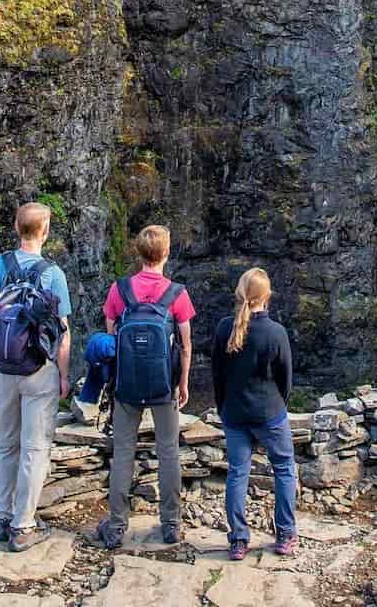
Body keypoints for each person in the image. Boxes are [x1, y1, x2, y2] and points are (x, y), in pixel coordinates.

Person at [0, 201, 71, 552]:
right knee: (35, 447)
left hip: (3, 367)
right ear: (45, 232)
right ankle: (23, 525)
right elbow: (62, 333)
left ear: (17, 228)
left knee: (4, 444)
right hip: (39, 369)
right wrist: (62, 376)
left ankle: (1, 517)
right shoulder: (53, 274)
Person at [96, 225, 194, 547]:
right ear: (166, 253)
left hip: (126, 385)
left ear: (138, 253)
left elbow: (112, 338)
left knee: (123, 452)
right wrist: (183, 383)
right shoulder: (177, 294)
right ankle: (171, 524)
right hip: (163, 384)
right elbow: (185, 344)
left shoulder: (119, 289)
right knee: (168, 451)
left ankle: (116, 526)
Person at [211, 267, 297, 561]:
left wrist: (223, 408)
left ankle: (238, 540)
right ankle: (285, 535)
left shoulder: (224, 328)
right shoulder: (275, 332)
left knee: (237, 474)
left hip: (235, 413)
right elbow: (286, 380)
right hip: (269, 413)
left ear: (239, 294)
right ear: (267, 296)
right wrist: (278, 406)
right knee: (284, 469)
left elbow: (217, 375)